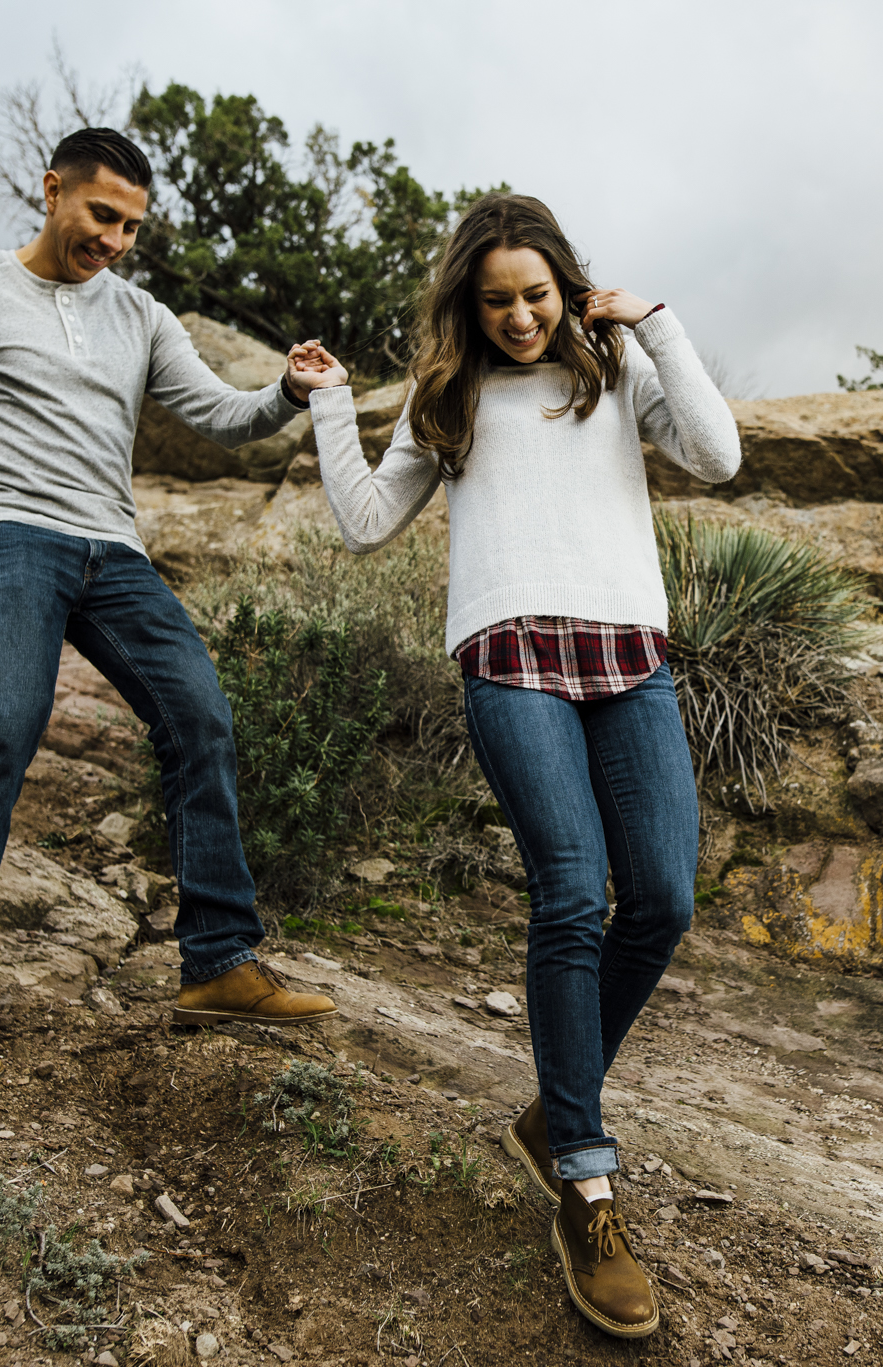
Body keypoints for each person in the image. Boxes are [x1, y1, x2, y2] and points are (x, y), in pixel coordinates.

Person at [289, 192, 740, 1338]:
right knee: (568, 892)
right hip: (510, 659)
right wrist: (333, 403)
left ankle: (551, 1110)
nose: (520, 317)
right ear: (466, 305)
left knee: (663, 897)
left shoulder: (616, 372)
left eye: (536, 295)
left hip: (628, 661)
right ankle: (586, 1186)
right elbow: (360, 521)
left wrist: (653, 323)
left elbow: (719, 455)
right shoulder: (449, 399)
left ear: (566, 286)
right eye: (495, 302)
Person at [0, 127, 337, 1079]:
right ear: (52, 192)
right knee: (1, 724)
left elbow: (220, 415)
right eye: (102, 216)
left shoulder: (143, 316)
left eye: (131, 227)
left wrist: (286, 389)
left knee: (201, 716)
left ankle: (219, 963)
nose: (116, 240)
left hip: (113, 554)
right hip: (9, 537)